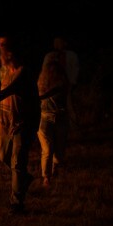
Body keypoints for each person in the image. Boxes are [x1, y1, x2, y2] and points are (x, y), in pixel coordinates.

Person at [0, 45, 40, 213]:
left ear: (9, 57)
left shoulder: (22, 72)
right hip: (6, 122)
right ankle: (23, 178)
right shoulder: (7, 73)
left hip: (22, 123)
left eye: (1, 56)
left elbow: (9, 91)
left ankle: (16, 203)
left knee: (17, 162)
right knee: (4, 156)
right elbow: (3, 90)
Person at [37, 59, 69, 188]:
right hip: (45, 119)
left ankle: (55, 166)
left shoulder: (62, 83)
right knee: (47, 149)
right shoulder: (41, 83)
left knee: (59, 151)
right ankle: (46, 177)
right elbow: (41, 94)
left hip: (60, 119)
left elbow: (51, 92)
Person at [43, 37, 79, 124]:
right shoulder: (50, 56)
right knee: (56, 107)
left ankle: (74, 125)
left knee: (69, 105)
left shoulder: (71, 55)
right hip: (53, 86)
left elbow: (75, 69)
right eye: (56, 42)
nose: (57, 44)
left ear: (65, 43)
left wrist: (72, 82)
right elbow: (45, 70)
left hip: (66, 84)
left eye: (59, 42)